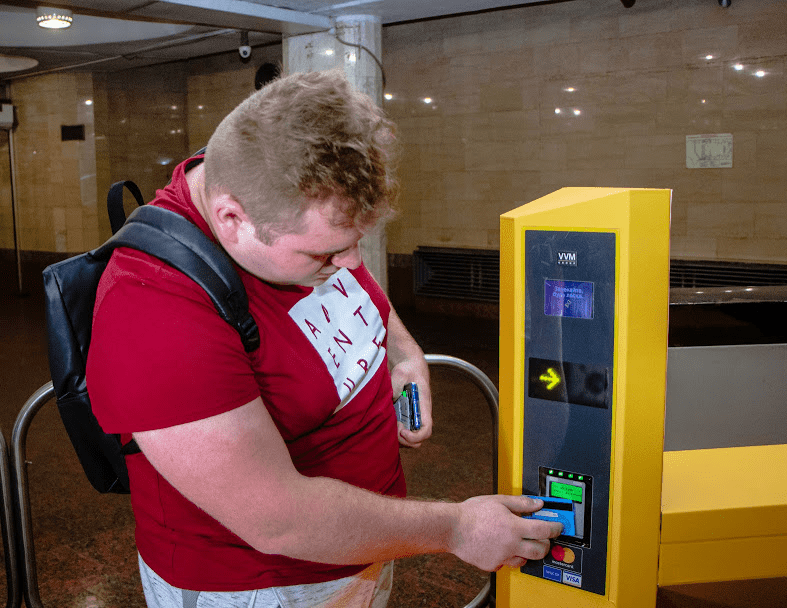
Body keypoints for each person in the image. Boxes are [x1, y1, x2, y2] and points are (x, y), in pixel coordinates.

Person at [86, 69, 560, 608]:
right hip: (264, 586)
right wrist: (455, 529)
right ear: (232, 220)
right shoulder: (154, 311)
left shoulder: (265, 189)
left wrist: (402, 354)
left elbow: (353, 281)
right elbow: (277, 518)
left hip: (357, 546)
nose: (350, 265)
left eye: (355, 243)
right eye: (325, 255)